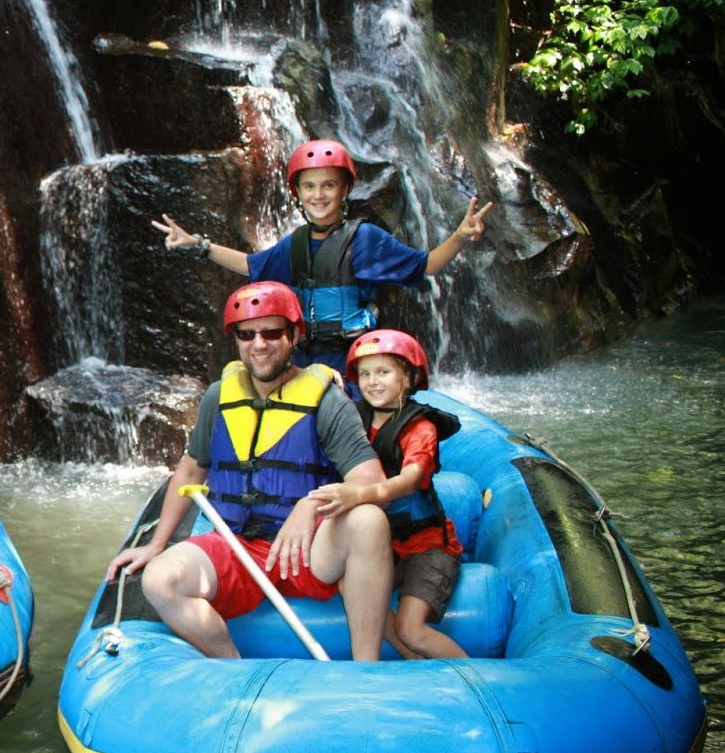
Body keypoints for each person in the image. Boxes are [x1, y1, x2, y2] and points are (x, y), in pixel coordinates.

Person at [104, 281, 394, 660]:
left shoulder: (327, 400)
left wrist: (310, 505)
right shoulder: (218, 397)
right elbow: (191, 472)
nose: (259, 344)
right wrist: (157, 543)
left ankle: (364, 671)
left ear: (294, 336)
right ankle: (233, 668)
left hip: (306, 550)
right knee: (160, 580)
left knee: (369, 520)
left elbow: (370, 480)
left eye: (272, 332)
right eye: (247, 334)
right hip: (235, 544)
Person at [151, 138, 494, 373]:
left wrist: (460, 237)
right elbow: (248, 265)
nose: (319, 195)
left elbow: (427, 265)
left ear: (345, 190)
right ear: (298, 193)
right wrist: (200, 244)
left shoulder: (365, 239)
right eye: (310, 187)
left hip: (352, 362)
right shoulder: (295, 244)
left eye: (329, 185)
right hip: (301, 362)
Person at [309, 330, 468, 659]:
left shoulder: (420, 428)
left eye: (383, 372)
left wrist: (361, 495)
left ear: (408, 377)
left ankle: (475, 678)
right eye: (365, 374)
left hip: (428, 547)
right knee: (351, 587)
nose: (372, 382)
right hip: (386, 544)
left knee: (412, 628)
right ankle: (411, 660)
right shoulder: (353, 419)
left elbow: (410, 480)